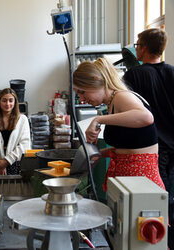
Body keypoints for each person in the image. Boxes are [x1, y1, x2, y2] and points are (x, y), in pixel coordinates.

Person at [73, 57, 165, 191]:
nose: (81, 98)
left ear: (97, 80)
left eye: (82, 92)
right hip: (127, 177)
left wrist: (98, 120)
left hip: (140, 178)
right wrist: (94, 153)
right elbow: (127, 147)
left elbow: (146, 117)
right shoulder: (112, 103)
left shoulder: (121, 97)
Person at [123, 28, 174, 249]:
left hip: (153, 148)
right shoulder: (172, 72)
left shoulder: (134, 75)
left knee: (156, 201)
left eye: (137, 45)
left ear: (143, 48)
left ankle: (156, 242)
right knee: (171, 198)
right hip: (173, 144)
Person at [0, 88, 31, 175]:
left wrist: (6, 161)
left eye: (11, 100)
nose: (7, 104)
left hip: (16, 163)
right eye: (4, 100)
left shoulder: (23, 120)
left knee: (15, 188)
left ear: (15, 102)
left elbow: (24, 145)